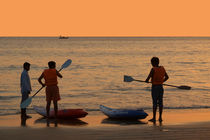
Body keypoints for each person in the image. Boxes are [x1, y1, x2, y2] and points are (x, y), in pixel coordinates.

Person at [145, 57, 169, 122]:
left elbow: (147, 79)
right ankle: (160, 118)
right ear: (158, 62)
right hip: (161, 87)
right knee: (160, 103)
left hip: (155, 88)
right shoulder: (162, 68)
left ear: (153, 63)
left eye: (151, 62)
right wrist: (161, 82)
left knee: (155, 103)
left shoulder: (153, 69)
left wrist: (146, 81)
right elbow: (167, 77)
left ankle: (154, 118)